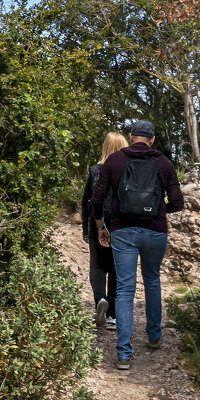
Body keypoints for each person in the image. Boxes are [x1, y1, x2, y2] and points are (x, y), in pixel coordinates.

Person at [91, 120, 184, 370]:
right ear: (152, 139)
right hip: (155, 231)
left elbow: (97, 199)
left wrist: (101, 226)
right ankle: (154, 337)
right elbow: (178, 201)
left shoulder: (114, 161)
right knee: (152, 279)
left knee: (124, 288)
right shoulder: (164, 163)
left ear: (131, 137)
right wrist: (158, 210)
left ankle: (123, 353)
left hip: (123, 230)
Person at [80, 132, 128, 331]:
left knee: (98, 265)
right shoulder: (128, 170)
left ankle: (100, 299)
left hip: (97, 222)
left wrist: (85, 228)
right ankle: (113, 316)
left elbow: (86, 202)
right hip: (121, 222)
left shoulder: (95, 170)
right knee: (117, 268)